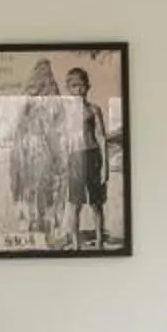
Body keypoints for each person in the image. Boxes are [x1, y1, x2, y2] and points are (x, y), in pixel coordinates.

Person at [9, 56, 64, 244]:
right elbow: (21, 125)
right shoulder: (30, 99)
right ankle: (33, 220)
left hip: (43, 146)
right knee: (31, 185)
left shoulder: (53, 98)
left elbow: (58, 124)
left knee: (44, 184)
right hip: (31, 146)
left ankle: (43, 220)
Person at [65, 64, 109, 251]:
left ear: (88, 86)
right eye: (74, 86)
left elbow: (101, 136)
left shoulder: (93, 109)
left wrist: (105, 165)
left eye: (81, 85)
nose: (78, 89)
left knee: (96, 204)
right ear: (69, 88)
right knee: (75, 205)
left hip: (92, 157)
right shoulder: (64, 111)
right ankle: (76, 244)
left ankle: (99, 242)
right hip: (74, 158)